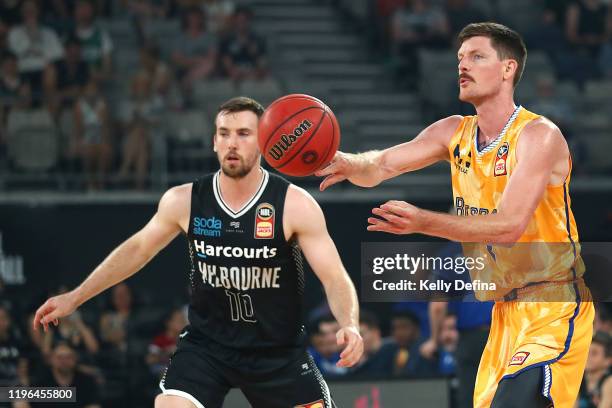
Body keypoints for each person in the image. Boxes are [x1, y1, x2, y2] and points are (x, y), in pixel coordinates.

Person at [317, 22, 594, 407]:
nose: (462, 65)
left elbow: (510, 226)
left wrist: (423, 222)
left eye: (477, 57)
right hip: (501, 312)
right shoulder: (452, 132)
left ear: (508, 68)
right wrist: (346, 161)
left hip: (552, 303)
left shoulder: (538, 136)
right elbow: (380, 165)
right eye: (460, 58)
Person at [33, 96, 362, 408]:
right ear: (214, 142)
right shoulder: (185, 200)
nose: (232, 142)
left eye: (244, 134)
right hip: (208, 347)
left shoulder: (294, 204)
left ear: (264, 142)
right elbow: (137, 250)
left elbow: (334, 277)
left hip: (277, 352)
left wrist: (349, 323)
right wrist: (75, 297)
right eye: (224, 133)